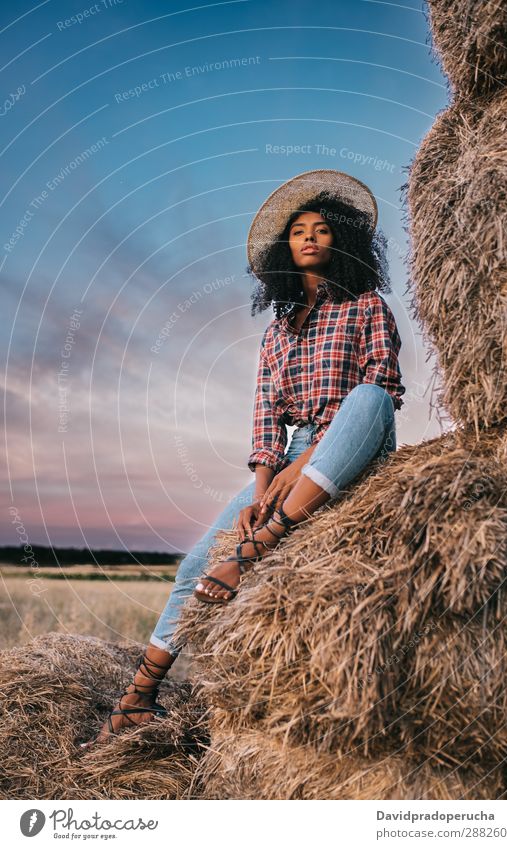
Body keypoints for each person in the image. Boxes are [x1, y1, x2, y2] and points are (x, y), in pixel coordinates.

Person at [80, 169, 405, 749]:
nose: (309, 237)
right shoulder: (277, 333)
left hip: (355, 445)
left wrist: (297, 474)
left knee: (369, 395)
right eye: (298, 231)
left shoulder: (366, 307)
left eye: (322, 228)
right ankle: (138, 697)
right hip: (291, 460)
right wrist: (261, 494)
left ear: (343, 241)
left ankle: (253, 554)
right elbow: (265, 422)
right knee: (195, 564)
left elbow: (383, 387)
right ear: (286, 248)